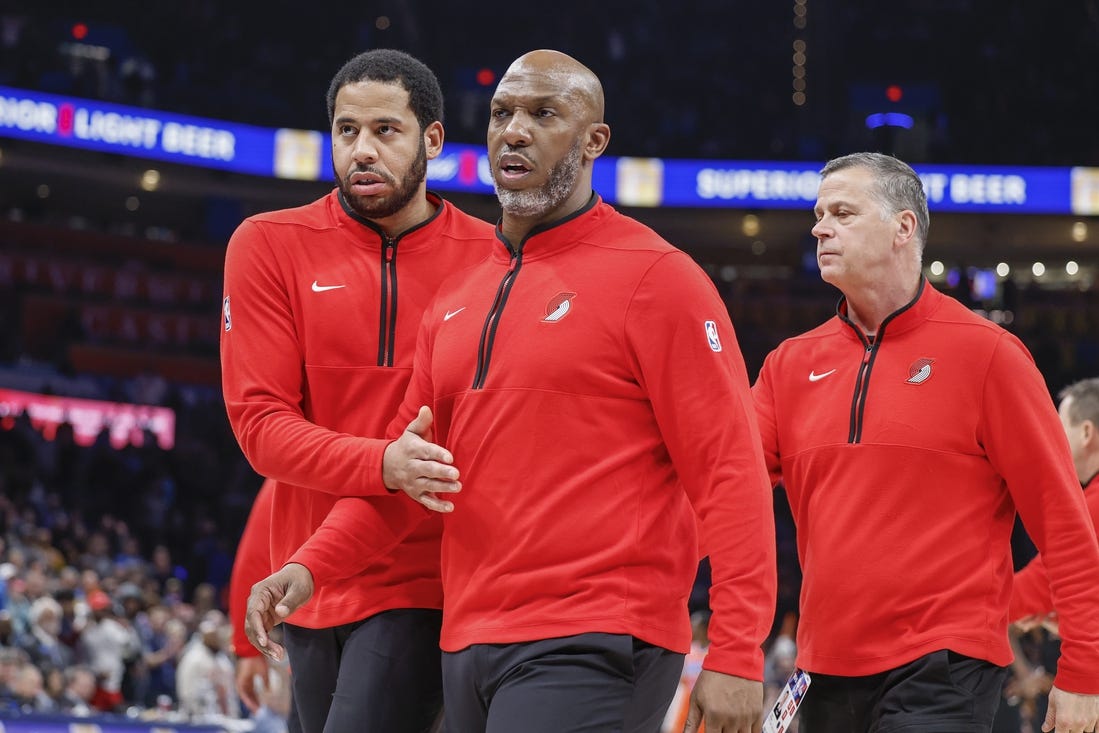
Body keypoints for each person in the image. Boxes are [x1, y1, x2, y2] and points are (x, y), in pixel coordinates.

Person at [249, 49, 776, 733]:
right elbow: (417, 477)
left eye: (542, 113)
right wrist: (311, 565)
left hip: (596, 631)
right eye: (501, 113)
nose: (514, 131)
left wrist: (736, 649)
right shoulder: (456, 300)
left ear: (594, 141)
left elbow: (730, 473)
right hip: (469, 640)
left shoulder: (658, 279)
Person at [751, 151, 1099, 732]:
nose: (819, 227)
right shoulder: (789, 365)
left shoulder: (989, 357)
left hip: (943, 667)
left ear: (902, 227)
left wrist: (1084, 673)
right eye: (817, 214)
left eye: (842, 212)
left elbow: (1064, 525)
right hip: (823, 664)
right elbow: (723, 489)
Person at [220, 48, 495, 733]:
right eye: (346, 131)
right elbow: (260, 432)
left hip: (429, 582)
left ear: (431, 139)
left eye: (384, 130)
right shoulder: (266, 245)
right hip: (308, 583)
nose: (361, 150)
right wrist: (382, 465)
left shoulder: (492, 260)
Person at [1010, 377, 1099, 629]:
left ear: (1086, 433)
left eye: (1058, 427)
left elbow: (1037, 587)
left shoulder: (1092, 507)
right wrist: (1057, 613)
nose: (1051, 438)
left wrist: (958, 606)